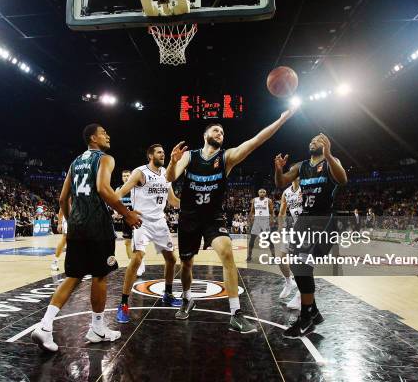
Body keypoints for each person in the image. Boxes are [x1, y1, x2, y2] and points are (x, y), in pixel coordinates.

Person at [166, 106, 296, 333]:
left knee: (227, 253)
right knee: (186, 264)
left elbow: (256, 141)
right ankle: (187, 299)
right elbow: (170, 177)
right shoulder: (189, 156)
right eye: (216, 130)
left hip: (213, 218)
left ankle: (235, 313)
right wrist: (171, 161)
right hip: (189, 217)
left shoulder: (227, 157)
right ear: (205, 135)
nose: (220, 134)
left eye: (223, 132)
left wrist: (281, 120)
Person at [31, 123, 142, 352]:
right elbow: (103, 188)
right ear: (93, 138)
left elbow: (63, 199)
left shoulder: (74, 163)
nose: (108, 135)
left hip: (78, 226)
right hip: (97, 226)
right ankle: (98, 328)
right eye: (103, 133)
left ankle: (45, 326)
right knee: (100, 276)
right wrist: (127, 214)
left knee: (72, 276)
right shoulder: (105, 158)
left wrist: (73, 222)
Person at [275, 133, 348, 338]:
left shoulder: (331, 162)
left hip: (324, 220)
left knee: (303, 265)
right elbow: (281, 182)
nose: (312, 141)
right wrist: (278, 169)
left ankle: (306, 319)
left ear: (326, 143)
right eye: (311, 140)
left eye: (318, 139)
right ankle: (313, 312)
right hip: (304, 221)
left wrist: (329, 155)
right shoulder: (301, 166)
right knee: (296, 264)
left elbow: (342, 180)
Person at [115, 144, 182, 323]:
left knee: (172, 259)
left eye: (164, 152)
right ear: (150, 155)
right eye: (160, 152)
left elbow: (173, 201)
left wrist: (193, 206)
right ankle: (123, 303)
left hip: (159, 221)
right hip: (142, 222)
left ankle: (167, 294)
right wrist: (123, 212)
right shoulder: (140, 172)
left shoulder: (167, 175)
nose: (163, 154)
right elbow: (120, 192)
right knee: (137, 258)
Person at [277, 178, 303, 309]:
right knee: (281, 260)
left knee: (299, 264)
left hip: (306, 227)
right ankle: (289, 282)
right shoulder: (286, 192)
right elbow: (282, 212)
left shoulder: (305, 188)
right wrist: (280, 228)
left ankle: (300, 296)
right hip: (292, 227)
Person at [246, 188, 275, 262]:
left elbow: (272, 212)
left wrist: (271, 220)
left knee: (268, 239)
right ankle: (249, 256)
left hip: (265, 221)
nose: (262, 193)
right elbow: (252, 211)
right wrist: (250, 219)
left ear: (265, 193)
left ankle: (274, 256)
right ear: (258, 193)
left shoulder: (269, 200)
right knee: (252, 238)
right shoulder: (254, 200)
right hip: (257, 221)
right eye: (260, 192)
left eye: (263, 192)